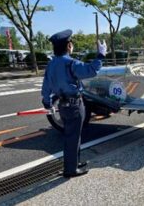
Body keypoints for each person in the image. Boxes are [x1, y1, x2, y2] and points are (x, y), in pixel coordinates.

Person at [41, 29, 107, 178]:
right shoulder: (71, 63)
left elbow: (45, 86)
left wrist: (46, 102)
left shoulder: (51, 64)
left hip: (62, 105)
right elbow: (91, 70)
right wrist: (101, 55)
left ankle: (74, 163)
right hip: (74, 105)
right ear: (68, 46)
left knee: (72, 135)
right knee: (72, 137)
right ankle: (70, 169)